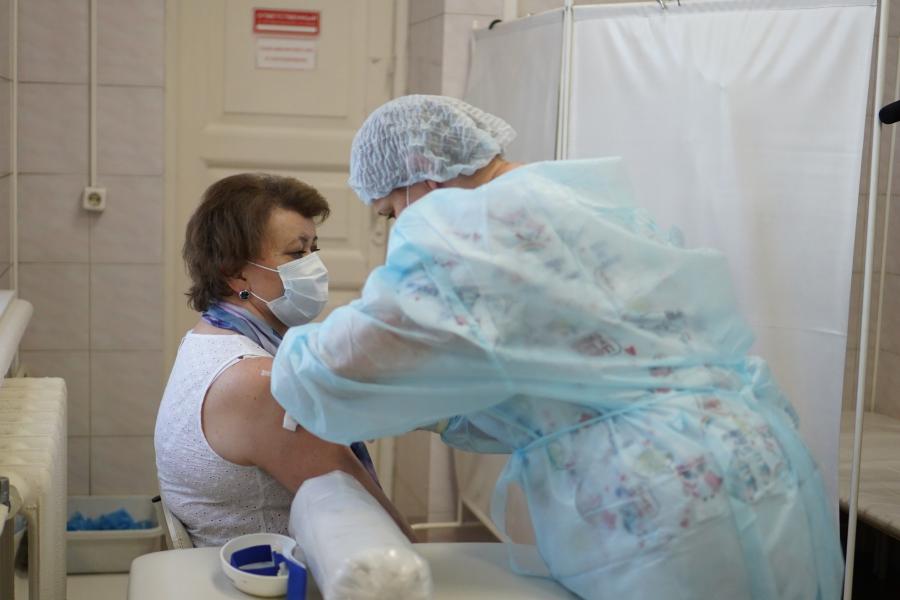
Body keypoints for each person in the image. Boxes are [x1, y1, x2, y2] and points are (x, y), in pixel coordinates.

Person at [269, 96, 843, 599]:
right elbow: (560, 374)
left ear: (422, 174)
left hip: (667, 497)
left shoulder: (470, 225)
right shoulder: (571, 199)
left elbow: (367, 345)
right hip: (753, 460)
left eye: (392, 210)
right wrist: (438, 413)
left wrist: (287, 360)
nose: (398, 225)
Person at [154, 173, 413, 547]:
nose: (314, 266)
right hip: (269, 572)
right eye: (296, 253)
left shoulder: (205, 338)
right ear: (234, 272)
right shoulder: (258, 383)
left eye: (314, 249)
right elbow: (378, 523)